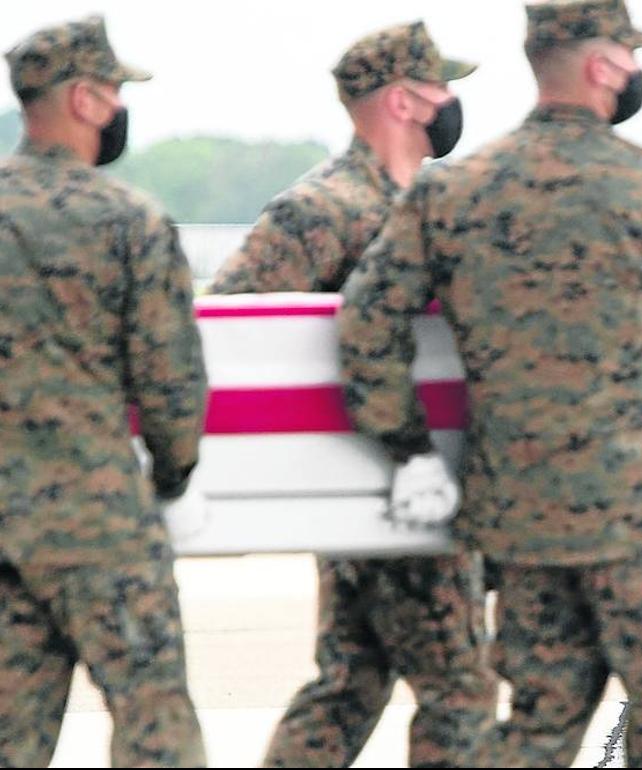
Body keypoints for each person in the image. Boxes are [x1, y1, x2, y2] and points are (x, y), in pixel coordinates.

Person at [336, 1, 642, 766]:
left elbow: (366, 324)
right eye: (630, 56)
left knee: (539, 724)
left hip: (519, 513)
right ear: (604, 66)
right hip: (637, 508)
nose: (635, 71)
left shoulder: (452, 193)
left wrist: (408, 446)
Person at [208, 22, 494, 768]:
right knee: (460, 692)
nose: (452, 102)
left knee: (351, 683)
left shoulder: (422, 199)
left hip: (415, 484)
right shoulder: (325, 208)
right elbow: (232, 330)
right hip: (378, 485)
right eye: (441, 86)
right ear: (403, 101)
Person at [0, 16, 208, 766]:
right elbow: (170, 382)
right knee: (154, 722)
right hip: (96, 520)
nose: (120, 109)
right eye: (114, 94)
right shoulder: (128, 221)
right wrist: (176, 476)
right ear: (85, 100)